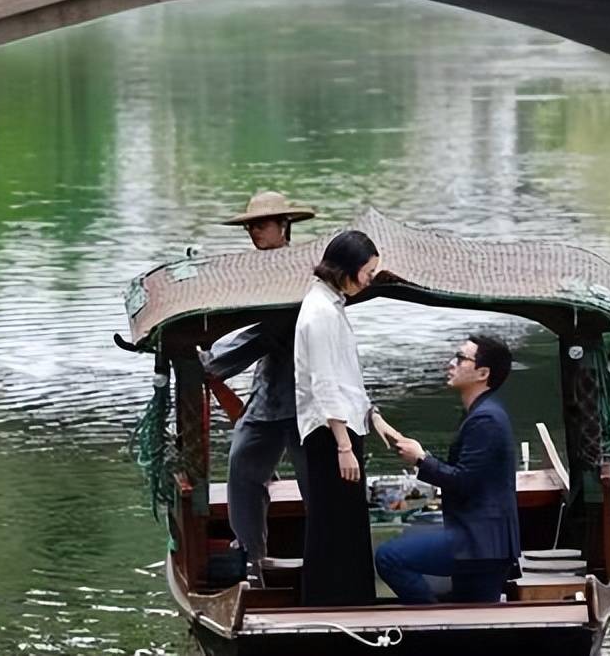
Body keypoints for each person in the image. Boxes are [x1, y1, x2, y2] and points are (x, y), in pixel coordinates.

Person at [200, 190, 316, 585]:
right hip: (268, 396)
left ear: (284, 226)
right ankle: (250, 556)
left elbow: (266, 334)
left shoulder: (305, 271)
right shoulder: (252, 271)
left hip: (306, 400)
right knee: (242, 471)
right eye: (250, 226)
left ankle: (330, 559)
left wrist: (212, 361)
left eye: (261, 225)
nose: (254, 232)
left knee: (316, 485)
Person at [296, 229, 402, 606]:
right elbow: (324, 383)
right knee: (333, 525)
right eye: (368, 272)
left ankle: (352, 600)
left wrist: (374, 418)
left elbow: (348, 377)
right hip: (329, 433)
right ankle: (330, 605)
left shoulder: (331, 304)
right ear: (347, 268)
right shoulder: (320, 312)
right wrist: (343, 445)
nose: (371, 280)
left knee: (348, 523)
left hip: (343, 428)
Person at [377, 335, 520, 605]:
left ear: (483, 373)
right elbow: (469, 473)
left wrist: (421, 460)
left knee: (389, 556)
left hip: (479, 542)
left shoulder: (486, 418)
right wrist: (423, 457)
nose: (451, 363)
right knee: (474, 620)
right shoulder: (479, 413)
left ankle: (432, 620)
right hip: (486, 542)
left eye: (461, 358)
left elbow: (464, 481)